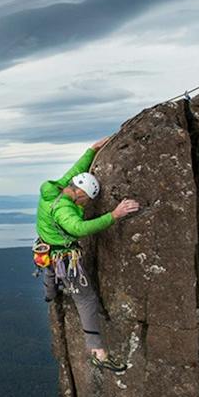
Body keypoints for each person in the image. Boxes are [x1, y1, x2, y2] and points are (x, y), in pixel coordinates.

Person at [35, 137, 140, 371]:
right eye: (86, 200)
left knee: (50, 273)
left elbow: (78, 169)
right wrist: (114, 215)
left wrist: (95, 148)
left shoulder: (55, 189)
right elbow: (78, 229)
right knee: (86, 299)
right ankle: (98, 352)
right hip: (63, 256)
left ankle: (50, 293)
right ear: (81, 195)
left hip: (46, 247)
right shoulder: (64, 210)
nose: (85, 204)